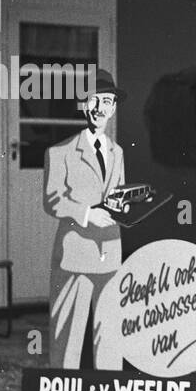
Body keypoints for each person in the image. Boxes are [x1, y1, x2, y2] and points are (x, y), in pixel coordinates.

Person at [43, 70, 126, 369]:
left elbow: (117, 195)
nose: (100, 108)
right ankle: (64, 386)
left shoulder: (117, 152)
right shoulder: (60, 152)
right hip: (75, 254)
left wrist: (127, 207)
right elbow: (53, 200)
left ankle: (109, 386)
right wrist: (88, 214)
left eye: (107, 101)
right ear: (83, 105)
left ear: (113, 109)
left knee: (109, 334)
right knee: (67, 337)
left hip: (110, 253)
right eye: (94, 100)